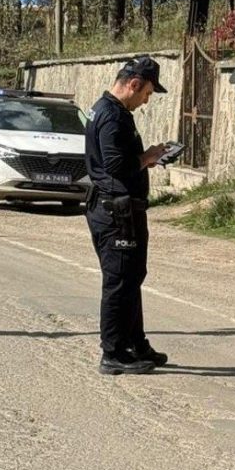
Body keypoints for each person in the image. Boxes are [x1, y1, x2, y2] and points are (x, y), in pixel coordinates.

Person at [85, 56, 171, 375]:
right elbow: (116, 166)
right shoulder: (111, 116)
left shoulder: (112, 111)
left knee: (132, 276)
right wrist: (147, 157)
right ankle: (113, 352)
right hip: (114, 209)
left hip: (120, 207)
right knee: (119, 280)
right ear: (133, 85)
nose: (146, 100)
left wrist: (147, 158)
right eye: (147, 93)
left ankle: (135, 343)